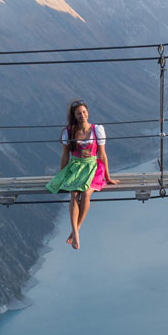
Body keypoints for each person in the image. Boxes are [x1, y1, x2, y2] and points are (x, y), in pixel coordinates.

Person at [45, 99, 118, 250]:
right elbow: (65, 155)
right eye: (79, 113)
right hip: (76, 166)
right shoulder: (69, 132)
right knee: (74, 194)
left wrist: (107, 176)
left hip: (94, 166)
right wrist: (62, 173)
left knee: (85, 194)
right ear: (74, 116)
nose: (82, 115)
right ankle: (76, 232)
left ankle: (75, 230)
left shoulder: (97, 130)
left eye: (84, 112)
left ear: (88, 113)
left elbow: (102, 155)